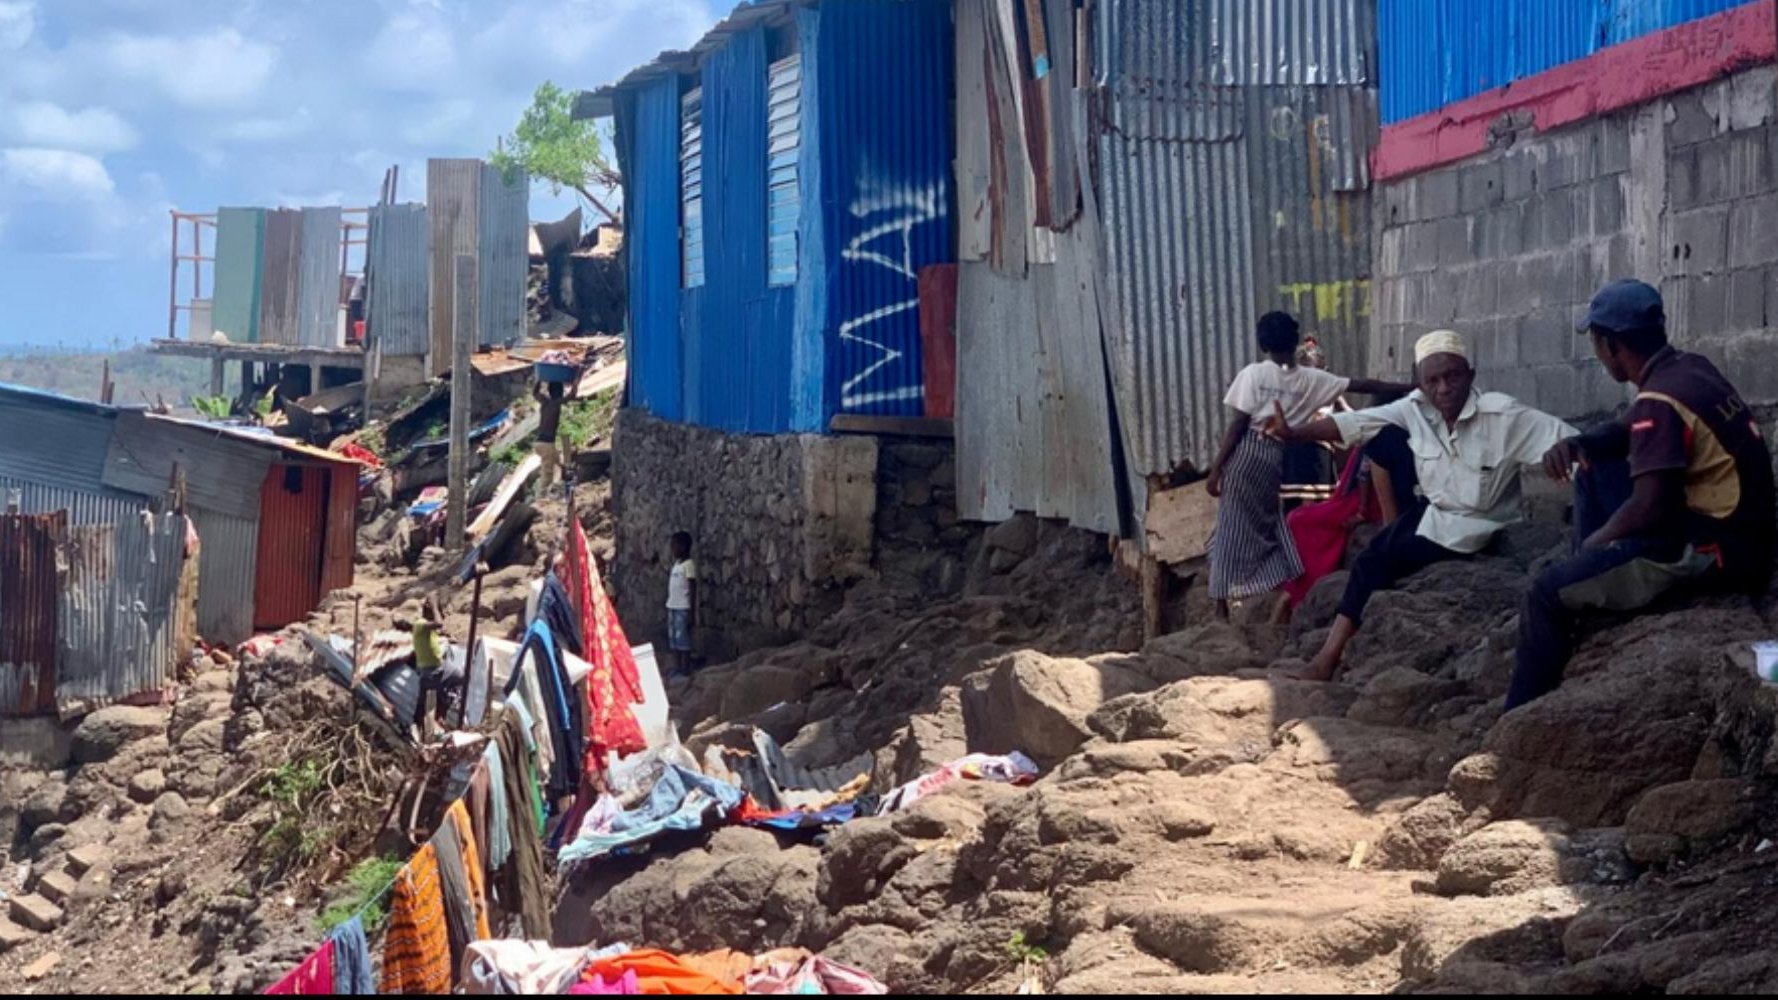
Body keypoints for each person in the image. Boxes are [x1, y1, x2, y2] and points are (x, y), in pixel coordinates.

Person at [1507, 280, 1775, 709]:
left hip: (1716, 550)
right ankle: (1590, 588)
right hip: (1741, 530)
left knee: (1544, 593)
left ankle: (1517, 715)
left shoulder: (1660, 400)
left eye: (1596, 344)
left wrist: (1596, 545)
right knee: (1594, 466)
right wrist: (1582, 444)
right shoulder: (1690, 369)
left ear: (1610, 345)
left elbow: (1652, 507)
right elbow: (1628, 428)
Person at [1263, 329, 1577, 681]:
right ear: (1421, 383)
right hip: (1435, 516)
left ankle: (1326, 659)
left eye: (1452, 376)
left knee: (1377, 557)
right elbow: (1353, 424)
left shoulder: (1503, 416)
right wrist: (1294, 433)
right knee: (1375, 549)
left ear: (1470, 375)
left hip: (1480, 526)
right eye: (1433, 380)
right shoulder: (1415, 409)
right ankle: (1328, 658)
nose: (1443, 388)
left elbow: (1572, 443)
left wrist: (1568, 457)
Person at [1206, 311, 1413, 620]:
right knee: (1267, 524)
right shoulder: (1311, 378)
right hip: (1275, 457)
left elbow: (1239, 424)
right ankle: (1269, 583)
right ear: (1294, 340)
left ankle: (1221, 604)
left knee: (1231, 526)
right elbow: (1363, 384)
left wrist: (1216, 468)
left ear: (1262, 343)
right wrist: (1407, 387)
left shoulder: (1254, 373)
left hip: (1248, 451)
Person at [666, 531, 698, 677]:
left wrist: (691, 611)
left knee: (683, 639)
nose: (672, 549)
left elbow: (692, 587)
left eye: (675, 546)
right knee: (674, 639)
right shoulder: (676, 565)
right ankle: (676, 666)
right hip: (672, 606)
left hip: (683, 608)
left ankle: (685, 668)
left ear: (684, 547)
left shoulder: (688, 565)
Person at [534, 379, 568, 489]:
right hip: (547, 444)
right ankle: (542, 498)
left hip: (541, 442)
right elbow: (572, 395)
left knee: (559, 462)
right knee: (547, 473)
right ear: (559, 392)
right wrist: (576, 381)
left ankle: (564, 480)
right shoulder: (556, 402)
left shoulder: (545, 401)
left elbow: (535, 393)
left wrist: (539, 379)